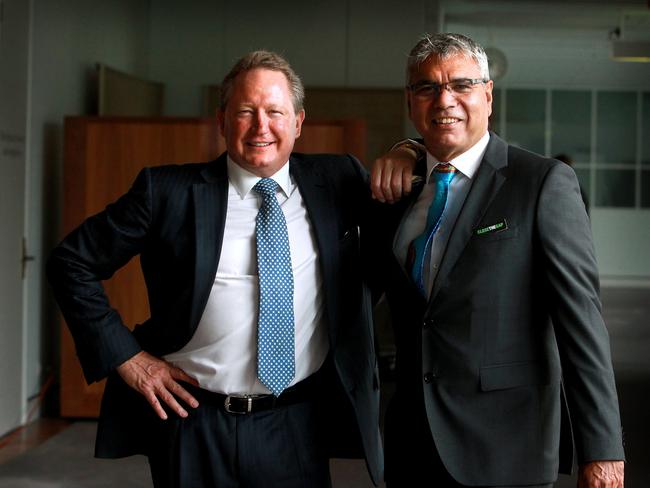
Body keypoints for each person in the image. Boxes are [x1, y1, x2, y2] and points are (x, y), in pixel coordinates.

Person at [47, 50, 382, 487]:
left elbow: (396, 228)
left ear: (298, 123)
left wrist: (408, 149)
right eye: (247, 112)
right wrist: (128, 358)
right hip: (193, 420)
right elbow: (70, 262)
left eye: (276, 112)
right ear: (222, 121)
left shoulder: (339, 179)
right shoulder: (166, 192)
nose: (262, 127)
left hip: (298, 421)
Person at [369, 33, 624, 487]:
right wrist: (406, 147)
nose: (444, 99)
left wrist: (601, 450)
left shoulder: (541, 183)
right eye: (427, 88)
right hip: (413, 445)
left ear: (488, 95)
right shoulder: (397, 190)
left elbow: (581, 323)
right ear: (411, 102)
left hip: (507, 447)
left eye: (462, 85)